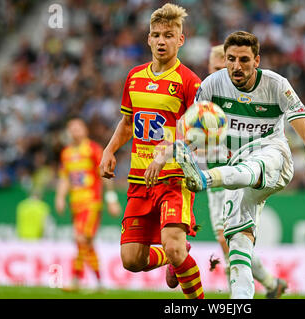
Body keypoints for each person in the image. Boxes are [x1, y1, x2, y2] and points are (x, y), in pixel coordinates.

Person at [175, 31, 305, 299]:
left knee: (255, 163)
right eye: (231, 59)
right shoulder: (212, 85)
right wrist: (182, 149)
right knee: (236, 245)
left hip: (273, 160)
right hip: (232, 174)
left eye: (244, 59)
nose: (236, 66)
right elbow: (189, 130)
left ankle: (203, 179)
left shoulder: (277, 85)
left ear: (256, 60)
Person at [99, 3, 205, 299]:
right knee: (132, 260)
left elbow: (196, 133)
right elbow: (127, 122)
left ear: (180, 40)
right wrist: (109, 150)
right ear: (148, 38)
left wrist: (166, 153)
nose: (161, 41)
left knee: (172, 244)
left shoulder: (189, 82)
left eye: (169, 35)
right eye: (156, 35)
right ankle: (174, 258)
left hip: (174, 179)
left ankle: (194, 297)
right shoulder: (134, 77)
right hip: (139, 181)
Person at [205, 44, 287, 298]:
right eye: (218, 68)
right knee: (229, 238)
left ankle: (240, 291)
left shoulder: (243, 95)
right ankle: (272, 283)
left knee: (227, 236)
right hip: (213, 177)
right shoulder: (207, 94)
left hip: (238, 172)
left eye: (225, 67)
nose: (225, 72)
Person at [55, 117, 121, 291]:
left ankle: (76, 280)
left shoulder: (93, 149)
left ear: (85, 130)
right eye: (71, 128)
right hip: (75, 204)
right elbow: (65, 178)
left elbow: (104, 174)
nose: (74, 131)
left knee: (81, 238)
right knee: (86, 243)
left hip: (91, 203)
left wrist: (112, 199)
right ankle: (100, 283)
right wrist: (60, 198)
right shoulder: (66, 153)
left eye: (77, 127)